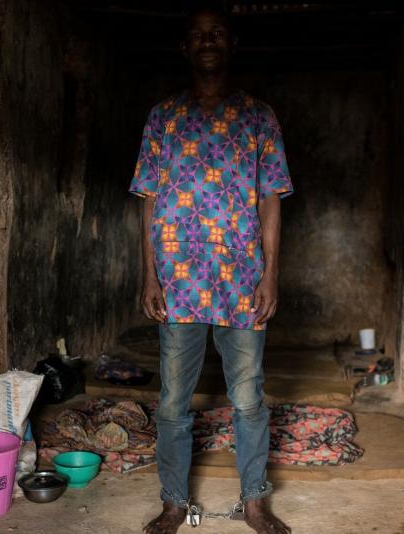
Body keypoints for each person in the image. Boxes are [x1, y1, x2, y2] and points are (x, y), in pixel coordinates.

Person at [128, 4, 293, 534]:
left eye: (217, 33)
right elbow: (147, 200)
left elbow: (271, 199)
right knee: (174, 401)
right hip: (177, 283)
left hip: (242, 280)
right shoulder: (163, 117)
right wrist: (148, 274)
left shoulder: (258, 117)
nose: (207, 41)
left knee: (248, 398)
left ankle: (255, 501)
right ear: (185, 47)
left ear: (231, 43)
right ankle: (175, 502)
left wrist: (270, 274)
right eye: (197, 34)